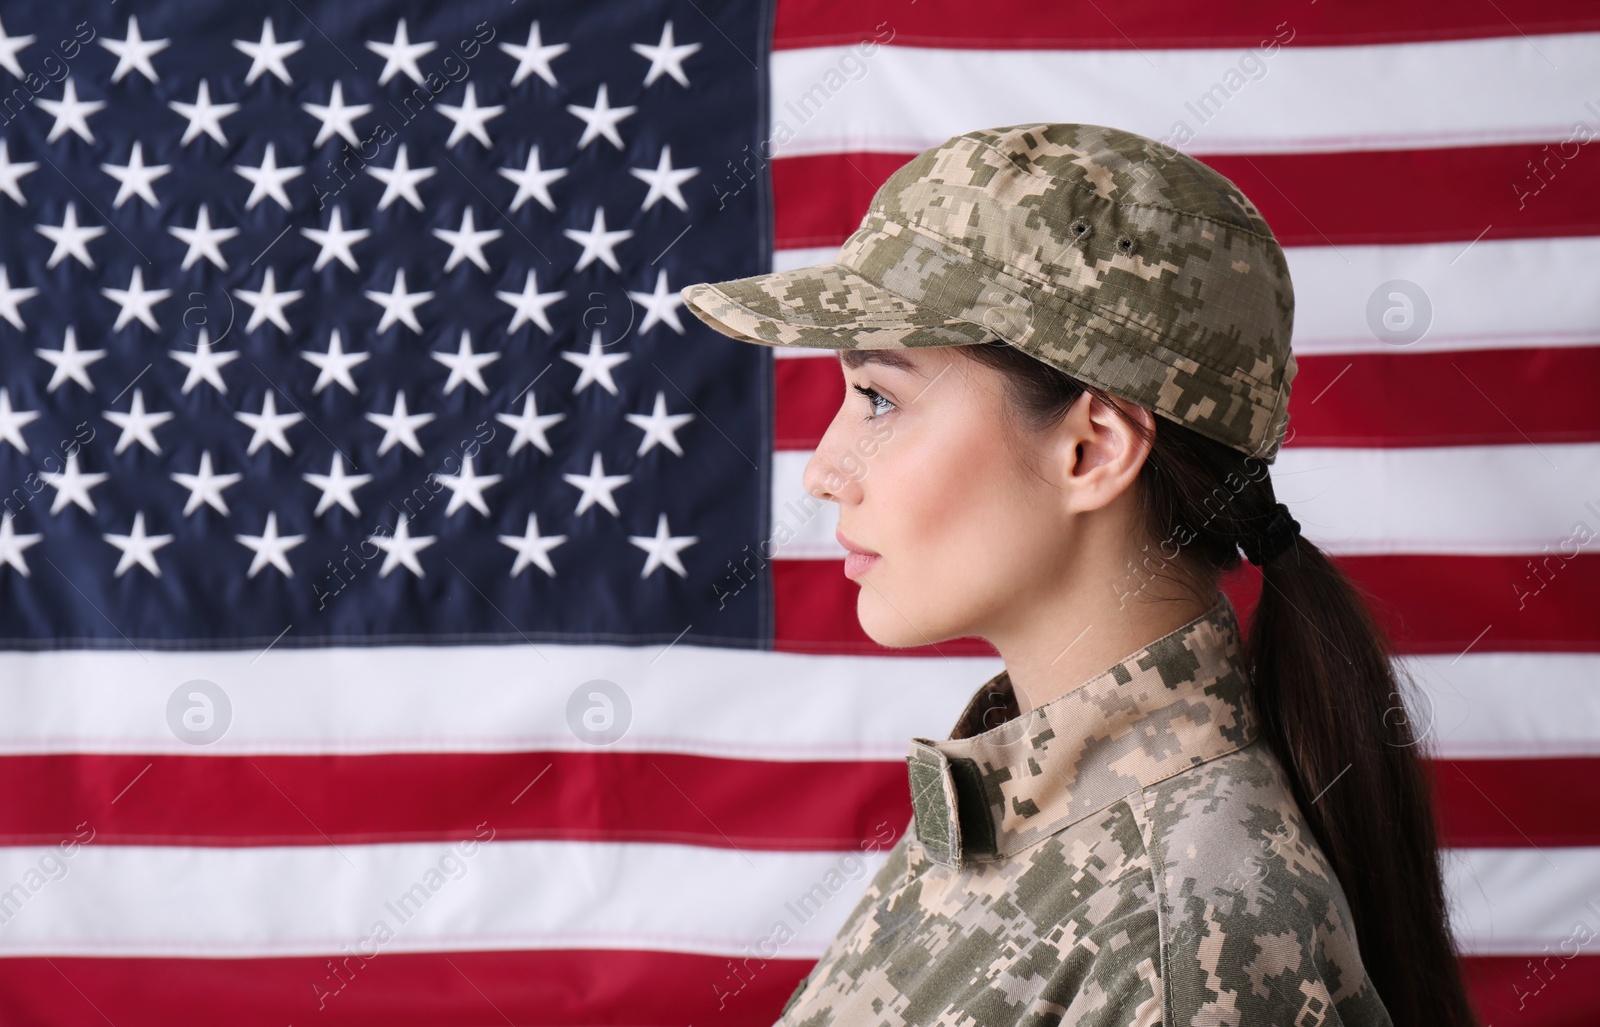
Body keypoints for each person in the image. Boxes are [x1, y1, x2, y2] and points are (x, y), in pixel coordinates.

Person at [680, 123, 1476, 1026]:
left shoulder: (1184, 922)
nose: (824, 469)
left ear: (1091, 448)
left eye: (879, 399)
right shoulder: (1020, 810)